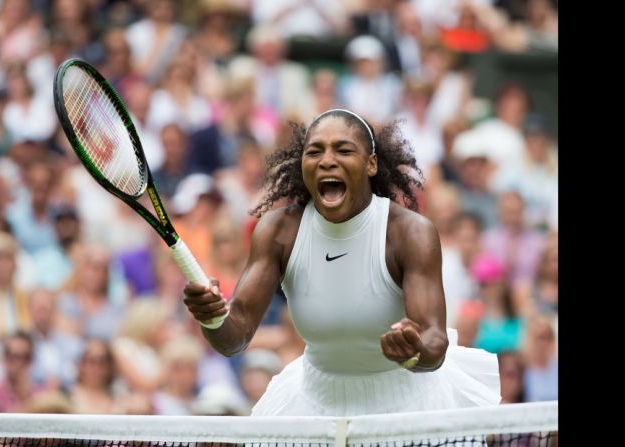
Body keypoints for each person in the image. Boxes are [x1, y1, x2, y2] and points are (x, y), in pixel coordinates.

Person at [183, 109, 500, 416]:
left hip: (409, 406)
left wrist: (415, 350)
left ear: (371, 164)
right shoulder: (278, 230)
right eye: (315, 151)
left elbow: (434, 339)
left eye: (343, 150)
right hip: (314, 406)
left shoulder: (409, 233)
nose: (327, 161)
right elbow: (234, 337)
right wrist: (212, 318)